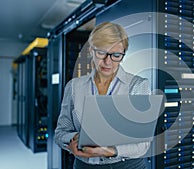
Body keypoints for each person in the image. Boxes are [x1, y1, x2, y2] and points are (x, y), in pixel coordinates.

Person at [54, 22, 150, 169]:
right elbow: (60, 133)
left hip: (127, 165)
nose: (108, 61)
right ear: (91, 51)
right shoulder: (74, 87)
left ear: (123, 55)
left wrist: (110, 151)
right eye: (101, 53)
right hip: (84, 165)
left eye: (116, 55)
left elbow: (143, 144)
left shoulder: (137, 86)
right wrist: (73, 140)